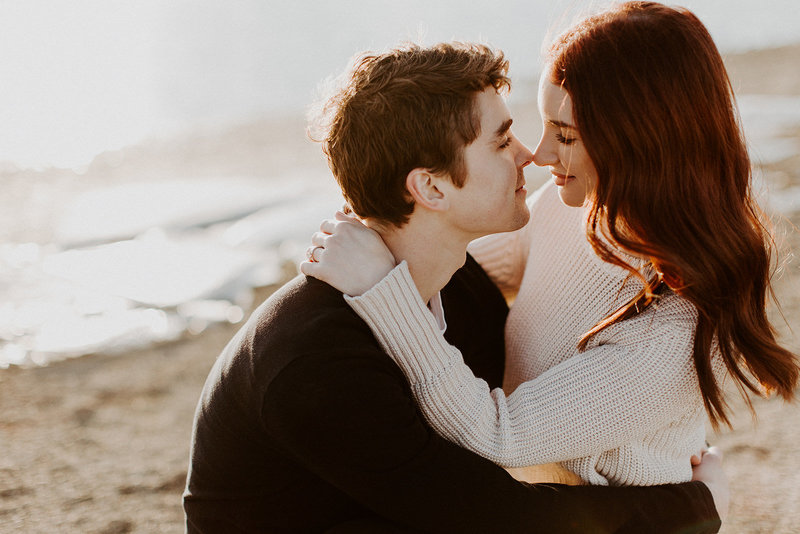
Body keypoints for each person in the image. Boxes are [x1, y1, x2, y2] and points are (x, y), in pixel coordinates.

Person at [184, 41, 726, 533]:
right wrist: (697, 505)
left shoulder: (461, 286)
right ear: (431, 186)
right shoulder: (319, 360)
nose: (528, 155)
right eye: (500, 142)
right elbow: (498, 518)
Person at [302, 0, 799, 491]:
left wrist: (380, 287)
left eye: (564, 135)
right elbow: (463, 275)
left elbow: (500, 434)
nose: (538, 155)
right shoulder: (579, 206)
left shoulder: (675, 327)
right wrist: (376, 235)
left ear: (640, 142)